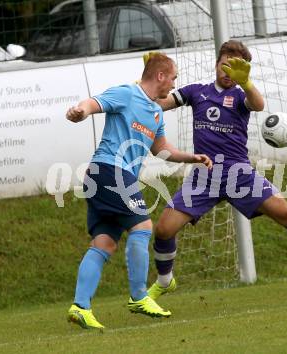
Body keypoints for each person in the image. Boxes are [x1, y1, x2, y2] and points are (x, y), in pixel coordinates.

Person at [143, 40, 287, 303]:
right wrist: (151, 83)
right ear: (216, 64)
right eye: (225, 65)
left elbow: (258, 104)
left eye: (236, 69)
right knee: (164, 229)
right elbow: (161, 103)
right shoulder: (196, 92)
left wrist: (245, 83)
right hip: (204, 177)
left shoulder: (239, 96)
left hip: (239, 175)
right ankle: (165, 281)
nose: (228, 72)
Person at [65, 53, 212, 330]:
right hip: (110, 170)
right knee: (143, 226)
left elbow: (161, 150)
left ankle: (80, 306)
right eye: (173, 78)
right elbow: (93, 103)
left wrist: (191, 158)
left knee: (105, 243)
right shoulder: (127, 93)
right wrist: (80, 111)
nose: (174, 83)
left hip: (106, 177)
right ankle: (138, 296)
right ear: (160, 76)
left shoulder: (156, 112)